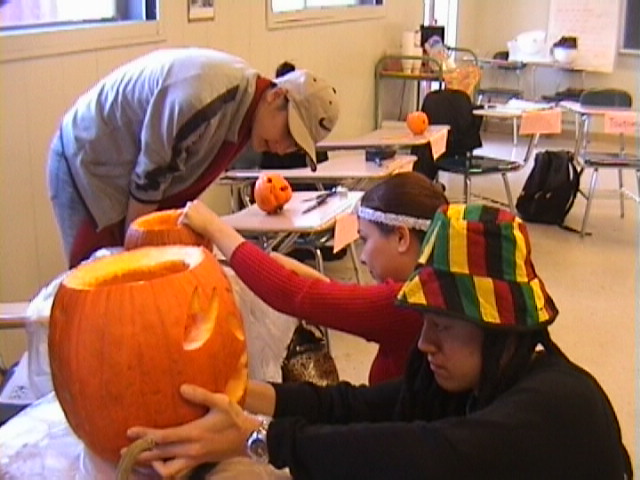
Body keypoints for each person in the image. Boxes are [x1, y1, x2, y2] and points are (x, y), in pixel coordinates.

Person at [127, 204, 632, 480]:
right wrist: (238, 390)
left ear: (501, 330)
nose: (425, 341)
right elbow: (357, 406)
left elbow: (427, 456)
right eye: (424, 322)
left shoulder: (559, 405)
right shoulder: (463, 378)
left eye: (444, 325)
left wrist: (260, 440)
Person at [47, 47, 339, 268]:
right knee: (101, 287)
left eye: (296, 147)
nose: (283, 148)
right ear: (276, 96)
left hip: (132, 178)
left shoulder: (249, 117)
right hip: (89, 163)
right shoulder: (202, 100)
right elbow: (148, 187)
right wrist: (138, 259)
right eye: (289, 133)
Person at [181, 171, 449, 384]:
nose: (363, 256)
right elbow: (356, 304)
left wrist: (214, 227)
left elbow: (293, 295)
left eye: (365, 240)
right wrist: (323, 285)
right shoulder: (440, 282)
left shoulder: (409, 302)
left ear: (401, 238)